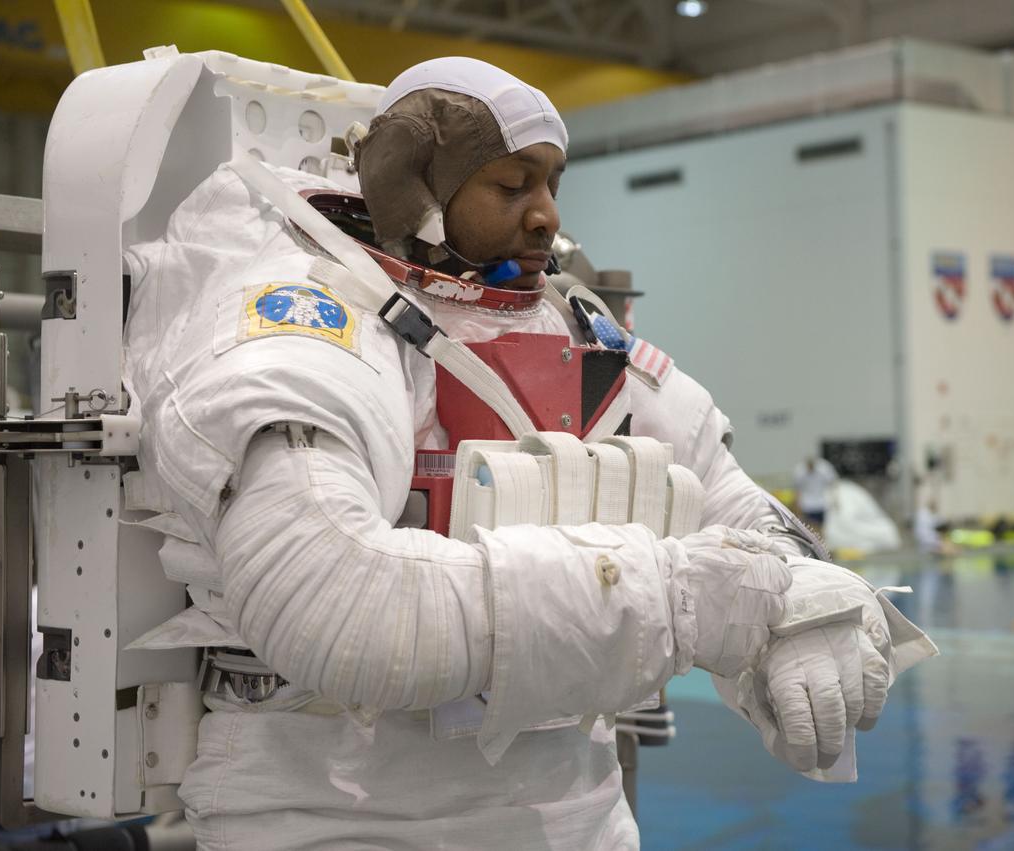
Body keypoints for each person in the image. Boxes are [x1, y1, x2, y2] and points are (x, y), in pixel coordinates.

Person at [122, 57, 936, 850]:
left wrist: (810, 599)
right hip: (331, 811)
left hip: (570, 810)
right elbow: (340, 602)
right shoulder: (308, 319)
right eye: (512, 185)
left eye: (552, 184)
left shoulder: (575, 332)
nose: (545, 213)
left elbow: (741, 508)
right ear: (419, 186)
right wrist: (688, 596)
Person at [794, 454, 838, 528]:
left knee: (821, 526)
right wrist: (797, 504)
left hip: (821, 503)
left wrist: (835, 499)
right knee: (809, 527)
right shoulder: (799, 471)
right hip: (807, 505)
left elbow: (832, 484)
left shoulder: (824, 469)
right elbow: (798, 489)